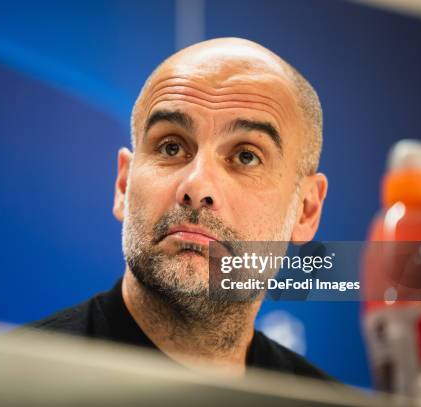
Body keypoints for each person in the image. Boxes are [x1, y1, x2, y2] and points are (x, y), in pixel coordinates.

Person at [24, 37, 329, 379]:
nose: (197, 187)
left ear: (306, 210)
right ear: (124, 185)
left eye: (246, 156)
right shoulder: (5, 386)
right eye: (171, 148)